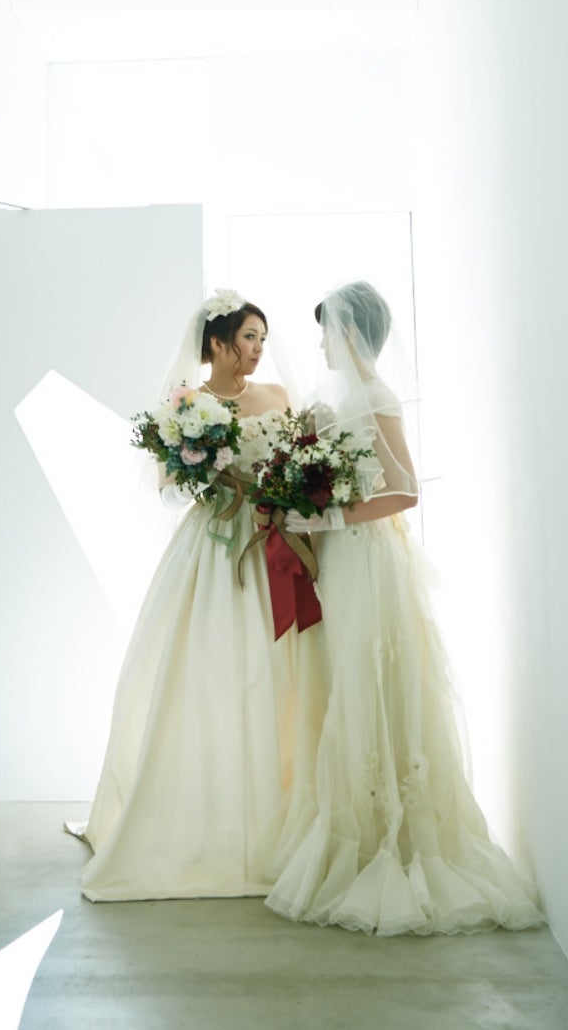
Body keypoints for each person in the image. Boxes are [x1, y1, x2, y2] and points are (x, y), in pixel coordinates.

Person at [266, 281, 543, 935]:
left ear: (352, 334)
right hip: (343, 556)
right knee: (351, 686)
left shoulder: (373, 397)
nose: (320, 344)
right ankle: (356, 828)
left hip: (367, 559)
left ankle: (390, 841)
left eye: (327, 331)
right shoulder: (337, 398)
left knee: (372, 684)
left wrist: (325, 515)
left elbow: (407, 490)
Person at [74, 290, 328, 901]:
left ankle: (276, 817)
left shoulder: (279, 398)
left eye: (264, 340)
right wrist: (205, 475)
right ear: (216, 343)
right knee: (206, 674)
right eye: (248, 339)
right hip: (214, 546)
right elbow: (170, 483)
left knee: (274, 676)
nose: (259, 351)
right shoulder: (189, 406)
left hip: (272, 541)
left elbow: (297, 461)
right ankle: (205, 817)